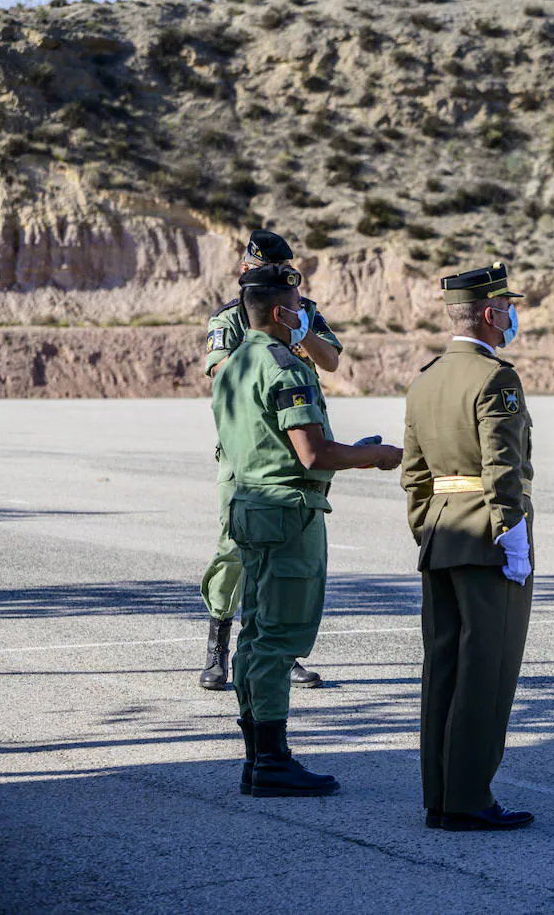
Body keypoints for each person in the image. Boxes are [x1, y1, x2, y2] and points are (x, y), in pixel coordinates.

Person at [212, 264, 402, 797]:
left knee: (253, 634)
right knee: (277, 638)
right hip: (287, 514)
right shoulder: (284, 367)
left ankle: (257, 756)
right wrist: (377, 456)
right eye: (298, 307)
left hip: (248, 504)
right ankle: (271, 761)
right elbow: (313, 452)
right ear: (280, 311)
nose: (303, 316)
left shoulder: (233, 363)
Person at [401, 262, 536, 831]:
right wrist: (513, 536)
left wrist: (426, 529)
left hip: (440, 535)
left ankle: (440, 795)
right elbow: (502, 466)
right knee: (487, 671)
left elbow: (414, 474)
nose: (511, 316)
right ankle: (469, 799)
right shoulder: (494, 378)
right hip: (486, 538)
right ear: (488, 312)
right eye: (506, 307)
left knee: (444, 671)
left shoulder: (426, 378)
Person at [200, 230, 343, 692]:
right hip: (247, 454)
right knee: (233, 549)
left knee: (288, 554)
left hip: (295, 448)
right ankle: (218, 646)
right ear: (244, 270)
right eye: (251, 268)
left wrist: (300, 332)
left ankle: (280, 651)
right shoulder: (231, 319)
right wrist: (272, 348)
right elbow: (221, 372)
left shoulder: (303, 312)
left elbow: (332, 360)